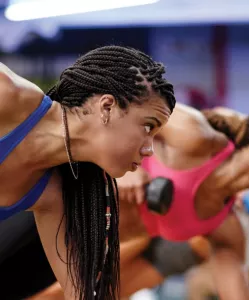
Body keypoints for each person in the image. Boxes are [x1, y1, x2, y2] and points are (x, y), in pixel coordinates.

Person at [0, 45, 176, 300]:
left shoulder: (51, 193)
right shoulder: (8, 95)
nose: (149, 150)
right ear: (107, 107)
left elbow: (80, 294)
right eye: (148, 126)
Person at [117, 103, 249, 300]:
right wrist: (116, 168)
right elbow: (119, 101)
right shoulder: (195, 135)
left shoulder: (226, 230)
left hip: (89, 247)